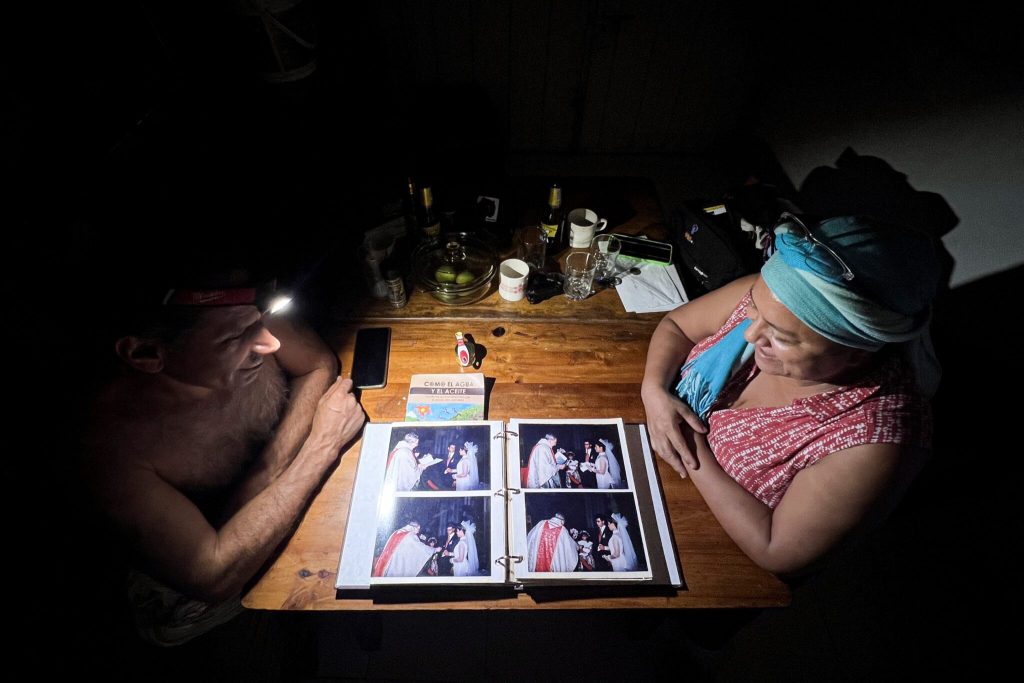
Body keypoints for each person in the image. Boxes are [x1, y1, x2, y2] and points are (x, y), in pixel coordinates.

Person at [641, 213, 941, 575]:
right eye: (754, 312)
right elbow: (676, 325)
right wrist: (654, 390)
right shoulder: (771, 302)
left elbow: (776, 550)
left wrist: (690, 443)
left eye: (782, 338)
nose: (750, 336)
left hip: (712, 554)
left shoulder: (876, 437)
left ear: (857, 350)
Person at [80, 272, 366, 645]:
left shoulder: (233, 309)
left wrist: (265, 476)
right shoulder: (112, 452)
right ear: (146, 354)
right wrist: (321, 445)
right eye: (235, 338)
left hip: (256, 510)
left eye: (260, 322)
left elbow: (318, 363)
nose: (272, 341)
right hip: (210, 568)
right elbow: (213, 575)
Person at [372, 521, 438, 577]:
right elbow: (420, 547)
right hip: (397, 564)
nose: (418, 532)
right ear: (415, 527)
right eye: (418, 529)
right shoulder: (409, 535)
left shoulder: (397, 532)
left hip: (389, 562)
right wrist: (434, 550)